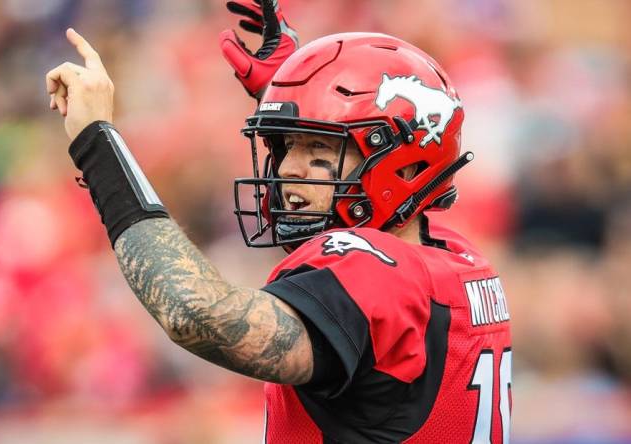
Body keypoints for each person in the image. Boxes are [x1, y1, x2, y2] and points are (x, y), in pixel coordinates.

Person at [45, 1, 512, 442]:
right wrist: (302, 91)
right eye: (288, 145)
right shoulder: (457, 258)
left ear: (407, 166)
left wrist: (99, 146)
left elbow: (197, 315)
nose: (288, 168)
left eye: (319, 149)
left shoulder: (378, 273)